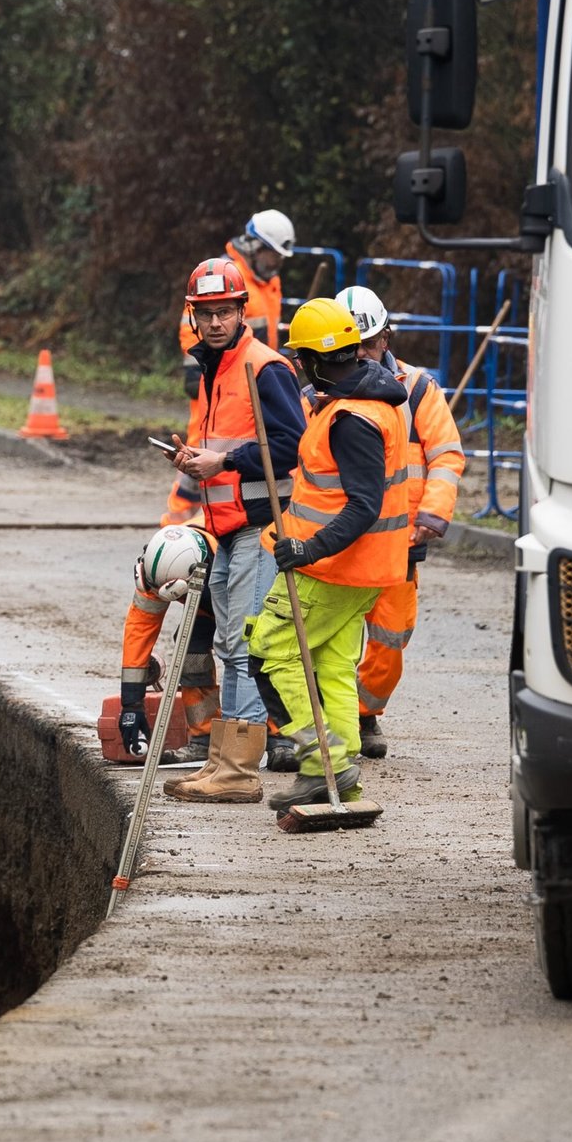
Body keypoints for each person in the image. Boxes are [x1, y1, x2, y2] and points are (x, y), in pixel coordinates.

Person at [245, 298, 412, 812]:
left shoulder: (351, 419)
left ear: (317, 359)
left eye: (301, 357)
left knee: (270, 653)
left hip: (332, 567)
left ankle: (323, 764)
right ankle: (344, 774)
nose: (298, 365)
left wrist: (307, 548)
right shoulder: (366, 403)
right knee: (334, 666)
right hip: (365, 570)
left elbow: (363, 505)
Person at [161, 256, 305, 805]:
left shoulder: (263, 366)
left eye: (224, 312)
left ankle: (239, 771)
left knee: (245, 645)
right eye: (206, 313)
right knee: (229, 642)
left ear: (242, 310)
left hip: (261, 524)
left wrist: (221, 465)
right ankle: (224, 759)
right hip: (227, 527)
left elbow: (293, 445)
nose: (216, 322)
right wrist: (195, 457)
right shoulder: (214, 368)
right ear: (193, 318)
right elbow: (227, 441)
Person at [335, 284, 467, 758]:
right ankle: (330, 720)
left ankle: (366, 714)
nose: (362, 356)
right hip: (341, 537)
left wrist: (432, 512)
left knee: (390, 639)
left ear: (385, 339)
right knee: (331, 635)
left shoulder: (417, 389)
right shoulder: (318, 386)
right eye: (352, 348)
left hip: (400, 541)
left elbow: (447, 455)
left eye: (368, 345)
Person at [160, 210, 295, 529]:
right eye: (272, 255)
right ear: (253, 245)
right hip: (217, 382)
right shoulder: (223, 279)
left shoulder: (268, 282)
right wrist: (197, 371)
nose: (276, 263)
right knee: (200, 452)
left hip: (256, 377)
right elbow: (192, 327)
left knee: (232, 457)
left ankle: (216, 522)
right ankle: (177, 527)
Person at [119, 527, 221, 767]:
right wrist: (131, 704)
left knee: (258, 655)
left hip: (245, 593)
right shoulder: (159, 567)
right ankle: (204, 737)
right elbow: (139, 632)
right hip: (206, 599)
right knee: (191, 652)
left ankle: (279, 737)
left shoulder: (232, 558)